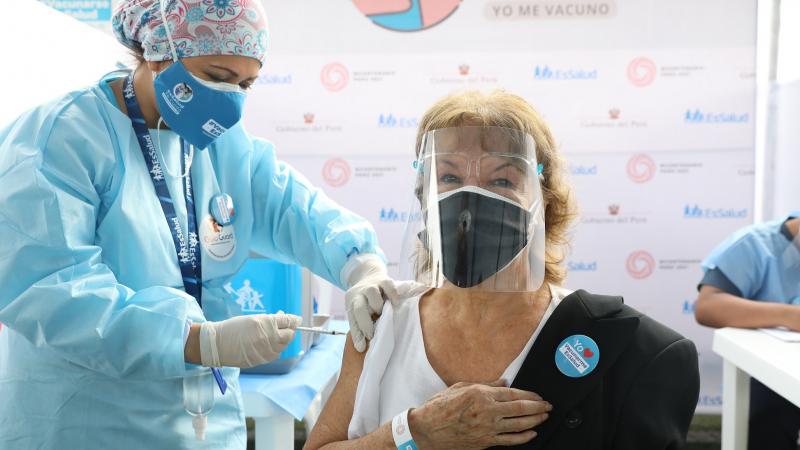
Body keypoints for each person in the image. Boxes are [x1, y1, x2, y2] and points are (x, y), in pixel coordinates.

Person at [0, 1, 398, 448]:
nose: (230, 99)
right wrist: (196, 342)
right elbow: (51, 291)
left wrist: (362, 266)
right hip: (87, 423)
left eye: (245, 84)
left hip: (205, 424)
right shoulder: (62, 138)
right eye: (217, 76)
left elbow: (294, 207)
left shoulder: (219, 145)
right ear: (158, 52)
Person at [304, 90, 700, 450]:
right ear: (423, 196)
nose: (470, 199)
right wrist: (414, 433)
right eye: (450, 177)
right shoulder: (383, 324)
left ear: (543, 203)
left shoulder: (624, 349)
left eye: (501, 180)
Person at [695, 213, 800, 450]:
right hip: (771, 375)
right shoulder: (754, 244)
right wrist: (789, 316)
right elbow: (707, 306)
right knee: (766, 414)